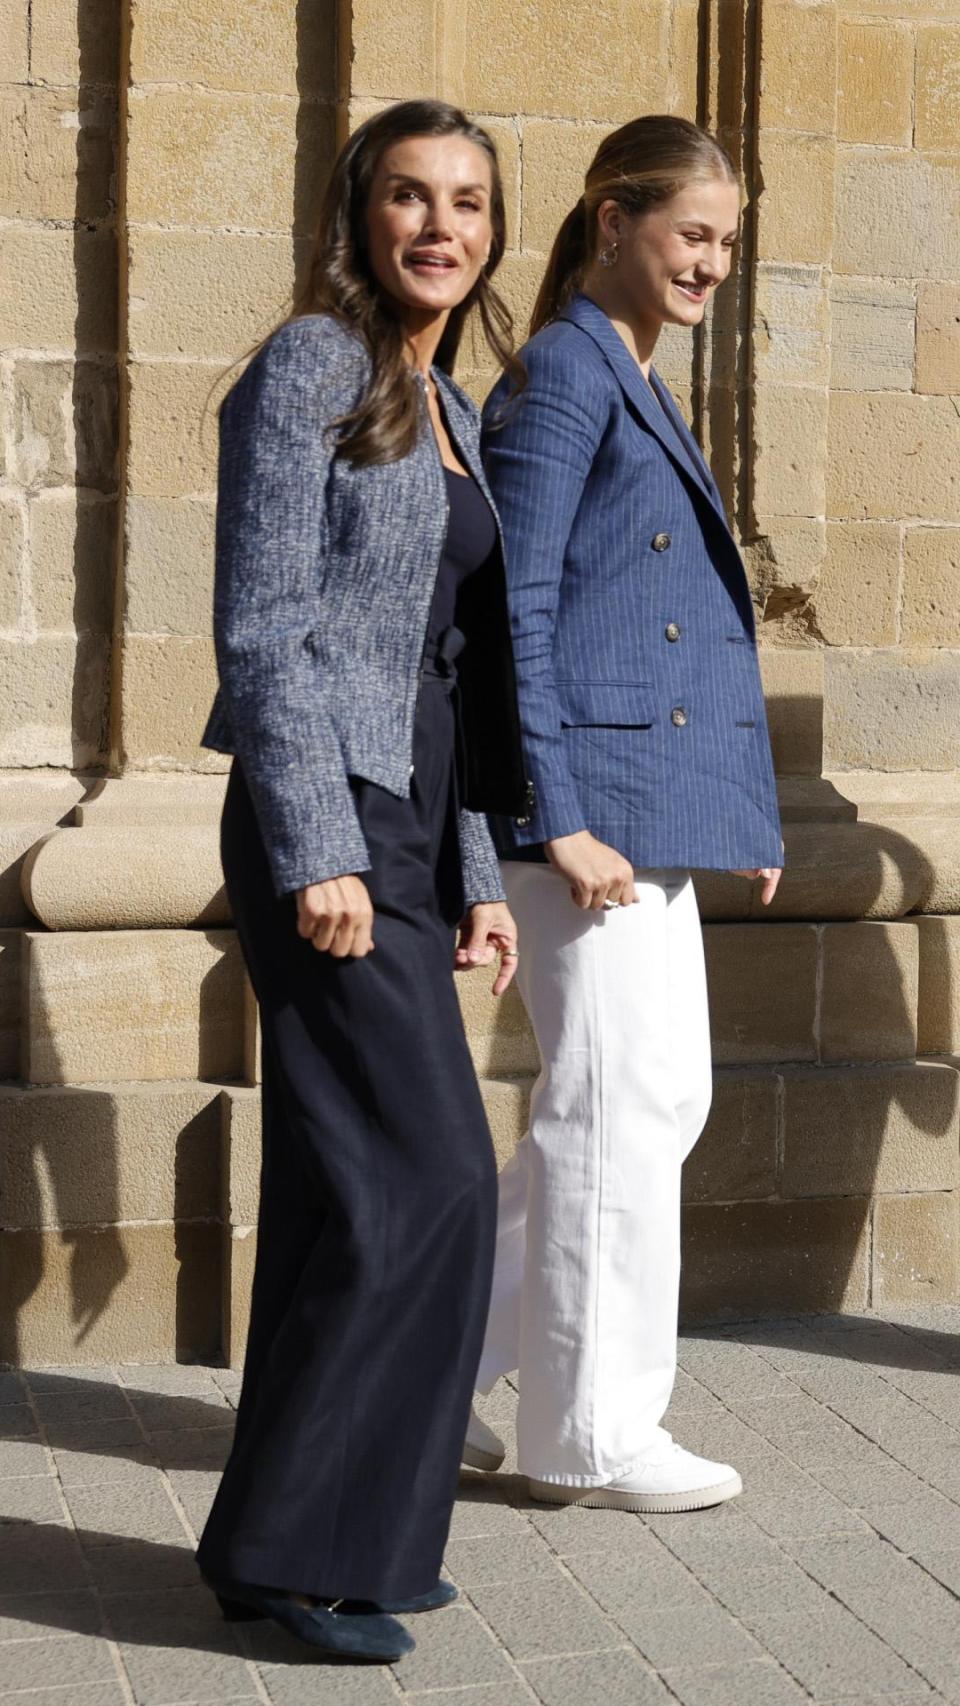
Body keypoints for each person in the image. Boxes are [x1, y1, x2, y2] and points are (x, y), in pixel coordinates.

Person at [195, 99, 530, 1660]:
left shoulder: (443, 397)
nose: (438, 226)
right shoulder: (312, 366)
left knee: (351, 1197)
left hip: (408, 826)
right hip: (323, 827)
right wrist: (318, 842)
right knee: (431, 1181)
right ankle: (299, 1551)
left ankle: (332, 1532)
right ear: (360, 209)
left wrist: (471, 869)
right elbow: (265, 625)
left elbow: (453, 673)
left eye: (466, 201)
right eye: (410, 195)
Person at [465, 115, 783, 1511]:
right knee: (615, 1106)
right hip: (586, 821)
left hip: (640, 810)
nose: (711, 261)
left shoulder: (622, 371)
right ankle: (590, 1429)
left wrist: (739, 811)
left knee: (649, 1098)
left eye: (726, 240)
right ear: (613, 221)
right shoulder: (566, 375)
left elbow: (658, 626)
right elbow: (512, 612)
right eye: (691, 233)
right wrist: (554, 815)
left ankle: (440, 1365)